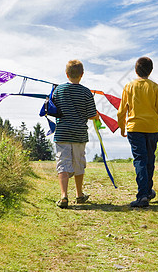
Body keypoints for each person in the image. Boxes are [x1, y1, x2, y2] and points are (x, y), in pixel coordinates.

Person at [117, 57, 158, 207]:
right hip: (152, 128)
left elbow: (121, 111)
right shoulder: (155, 87)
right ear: (151, 70)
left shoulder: (129, 86)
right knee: (149, 160)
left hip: (135, 128)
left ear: (136, 71)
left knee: (140, 160)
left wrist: (122, 128)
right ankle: (147, 191)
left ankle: (142, 195)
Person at [52, 59, 98, 208]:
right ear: (82, 74)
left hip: (62, 133)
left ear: (66, 74)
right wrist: (96, 116)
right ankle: (79, 194)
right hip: (79, 134)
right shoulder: (86, 92)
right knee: (79, 164)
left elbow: (54, 108)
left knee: (63, 164)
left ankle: (64, 196)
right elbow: (91, 114)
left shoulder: (58, 90)